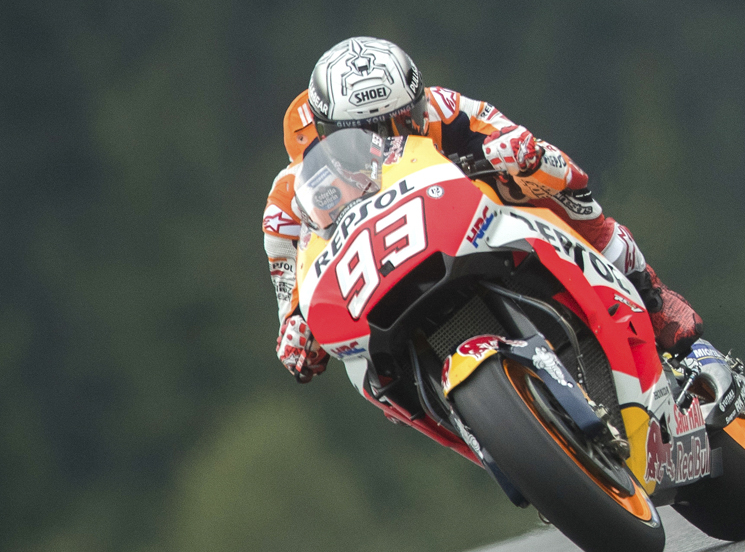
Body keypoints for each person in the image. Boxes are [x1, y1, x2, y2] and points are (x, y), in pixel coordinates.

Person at [265, 36, 702, 382]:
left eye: (403, 119)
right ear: (328, 135)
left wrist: (523, 155)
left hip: (463, 230)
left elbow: (526, 146)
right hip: (379, 291)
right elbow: (292, 298)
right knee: (358, 369)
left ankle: (649, 294)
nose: (391, 138)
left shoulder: (444, 109)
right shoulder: (289, 200)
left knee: (552, 184)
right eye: (370, 132)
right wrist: (296, 329)